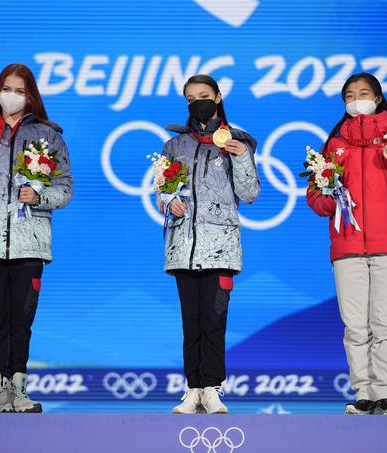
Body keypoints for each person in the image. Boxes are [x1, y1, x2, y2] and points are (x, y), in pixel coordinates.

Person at [307, 72, 387, 415]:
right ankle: (363, 393)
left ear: (378, 98)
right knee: (355, 325)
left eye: (363, 93)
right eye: (349, 96)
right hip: (348, 246)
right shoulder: (334, 146)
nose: (356, 100)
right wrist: (326, 188)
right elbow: (318, 203)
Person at [0, 63, 73, 413]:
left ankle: (18, 391)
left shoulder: (48, 136)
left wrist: (38, 197)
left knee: (21, 320)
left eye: (20, 91)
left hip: (30, 242)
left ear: (31, 96)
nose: (12, 96)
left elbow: (65, 189)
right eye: (7, 88)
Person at [158, 74, 260, 414]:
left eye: (203, 95)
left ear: (217, 97)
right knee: (191, 323)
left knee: (214, 323)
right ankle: (192, 389)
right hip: (183, 246)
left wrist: (242, 156)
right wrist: (168, 200)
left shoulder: (238, 141)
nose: (196, 102)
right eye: (190, 98)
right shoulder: (175, 145)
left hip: (221, 247)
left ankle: (212, 389)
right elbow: (161, 191)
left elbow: (250, 194)